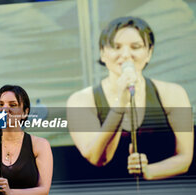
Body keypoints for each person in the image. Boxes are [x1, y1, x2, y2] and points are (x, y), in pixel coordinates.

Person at [67, 16, 194, 180]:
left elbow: (184, 159)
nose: (126, 55)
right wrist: (120, 103)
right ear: (103, 53)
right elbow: (96, 157)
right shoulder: (81, 101)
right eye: (116, 47)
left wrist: (149, 170)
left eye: (136, 47)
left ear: (149, 53)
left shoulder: (172, 94)